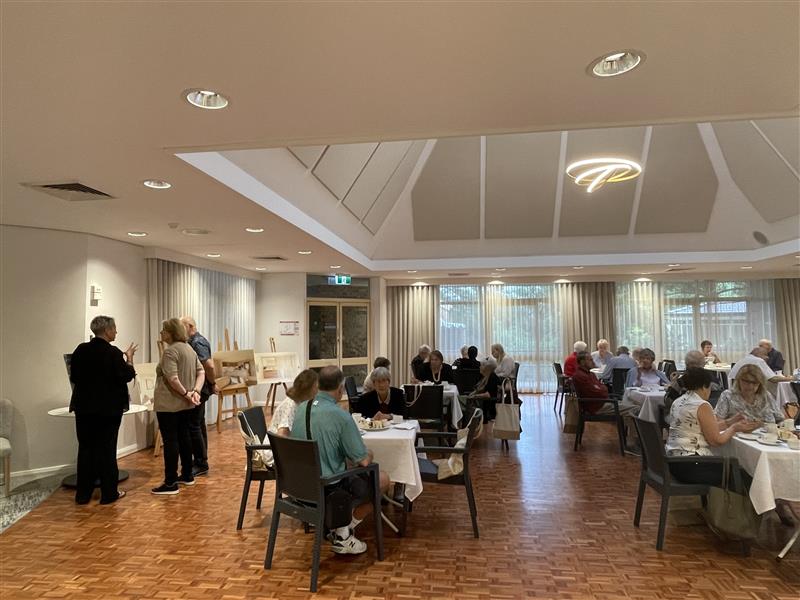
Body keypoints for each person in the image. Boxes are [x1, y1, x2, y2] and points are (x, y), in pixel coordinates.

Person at [291, 366, 390, 554]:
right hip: (328, 489)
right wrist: (369, 453)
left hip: (298, 488)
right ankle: (344, 531)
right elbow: (363, 462)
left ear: (318, 385)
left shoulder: (302, 408)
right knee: (382, 479)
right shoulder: (341, 416)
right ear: (341, 388)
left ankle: (340, 528)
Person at [69, 315, 137, 505]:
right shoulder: (113, 353)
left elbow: (74, 375)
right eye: (114, 328)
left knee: (86, 449)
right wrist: (129, 358)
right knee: (107, 450)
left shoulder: (80, 350)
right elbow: (127, 375)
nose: (116, 332)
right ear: (107, 330)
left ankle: (82, 495)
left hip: (83, 408)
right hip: (108, 410)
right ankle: (108, 494)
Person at [665, 368, 759, 490]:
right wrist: (735, 428)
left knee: (739, 471)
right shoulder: (701, 405)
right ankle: (739, 508)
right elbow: (716, 441)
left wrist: (729, 422)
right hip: (692, 466)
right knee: (745, 475)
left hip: (675, 462)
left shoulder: (679, 401)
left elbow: (702, 428)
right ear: (705, 386)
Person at [152, 318, 204, 495]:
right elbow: (201, 372)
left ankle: (170, 482)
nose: (161, 333)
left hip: (169, 405)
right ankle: (187, 475)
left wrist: (186, 393)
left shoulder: (170, 352)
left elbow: (173, 379)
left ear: (171, 332)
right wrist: (194, 391)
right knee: (184, 438)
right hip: (186, 405)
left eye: (164, 330)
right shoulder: (189, 349)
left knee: (171, 441)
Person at [257, 369, 319, 467]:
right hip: (275, 454)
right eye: (316, 387)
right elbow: (281, 438)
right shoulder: (291, 405)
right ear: (308, 389)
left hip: (284, 450)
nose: (318, 390)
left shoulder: (300, 402)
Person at [180, 316, 217, 477]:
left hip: (199, 389)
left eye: (181, 327)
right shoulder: (194, 341)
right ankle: (201, 460)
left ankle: (201, 462)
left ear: (190, 326)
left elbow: (209, 365)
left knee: (194, 425)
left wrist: (212, 382)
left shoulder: (197, 342)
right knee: (198, 424)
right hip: (198, 388)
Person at [572, 351, 639, 417]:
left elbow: (602, 387)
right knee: (636, 409)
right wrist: (602, 390)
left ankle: (625, 427)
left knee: (634, 405)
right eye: (590, 360)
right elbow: (595, 392)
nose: (593, 362)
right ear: (582, 362)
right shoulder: (580, 376)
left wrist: (601, 389)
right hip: (597, 407)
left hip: (603, 402)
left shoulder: (591, 374)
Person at [715, 364, 783, 424]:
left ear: (760, 384)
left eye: (754, 383)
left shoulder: (766, 395)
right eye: (746, 381)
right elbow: (718, 422)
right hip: (738, 436)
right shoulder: (728, 396)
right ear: (739, 380)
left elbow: (780, 419)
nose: (750, 386)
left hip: (769, 436)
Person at [465, 356, 501, 423]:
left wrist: (475, 396)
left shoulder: (492, 377)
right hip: (481, 403)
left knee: (461, 402)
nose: (479, 367)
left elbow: (489, 395)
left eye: (481, 365)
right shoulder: (485, 377)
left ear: (487, 368)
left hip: (487, 406)